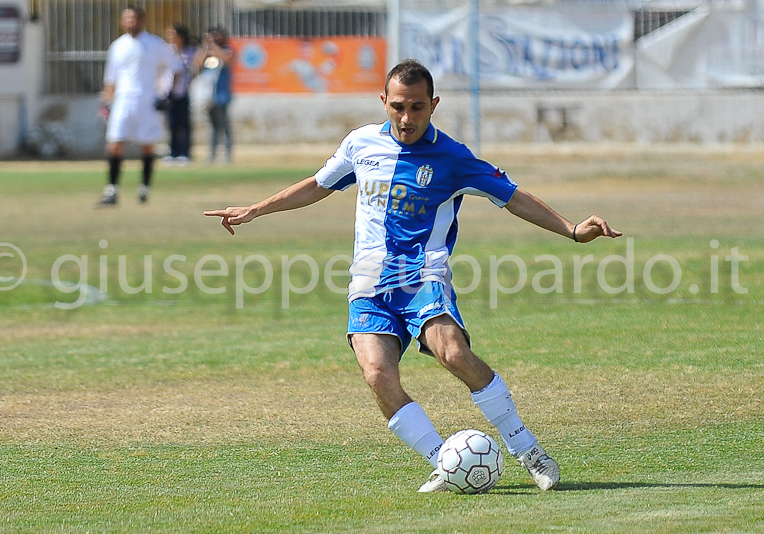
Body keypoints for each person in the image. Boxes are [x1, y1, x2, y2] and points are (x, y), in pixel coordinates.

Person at [204, 59, 622, 492]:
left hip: (422, 275)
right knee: (377, 376)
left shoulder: (453, 157)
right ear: (383, 101)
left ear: (434, 105)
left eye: (418, 107)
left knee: (453, 354)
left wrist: (571, 230)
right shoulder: (360, 144)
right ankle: (446, 462)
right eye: (398, 106)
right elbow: (317, 184)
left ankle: (528, 450)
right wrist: (257, 209)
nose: (407, 118)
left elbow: (514, 198)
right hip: (368, 281)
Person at [98, 6, 183, 205]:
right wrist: (106, 103)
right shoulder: (117, 46)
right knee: (115, 144)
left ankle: (144, 188)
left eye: (134, 19)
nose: (131, 22)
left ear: (142, 20)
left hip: (147, 101)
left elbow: (177, 69)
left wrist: (169, 96)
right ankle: (112, 190)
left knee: (147, 145)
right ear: (122, 21)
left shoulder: (155, 44)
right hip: (123, 101)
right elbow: (110, 79)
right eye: (127, 18)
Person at [193, 26, 233, 164]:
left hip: (221, 94)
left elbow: (227, 60)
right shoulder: (207, 52)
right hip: (208, 95)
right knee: (213, 126)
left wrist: (214, 47)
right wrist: (205, 47)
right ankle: (212, 155)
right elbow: (197, 64)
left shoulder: (226, 49)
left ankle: (227, 155)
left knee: (224, 125)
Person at [162, 24, 197, 165]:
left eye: (174, 35)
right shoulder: (166, 51)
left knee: (183, 124)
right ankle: (173, 152)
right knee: (171, 124)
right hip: (169, 93)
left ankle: (184, 152)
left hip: (183, 92)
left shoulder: (190, 52)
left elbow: (194, 69)